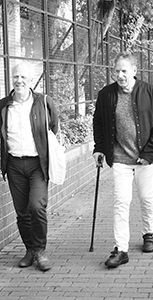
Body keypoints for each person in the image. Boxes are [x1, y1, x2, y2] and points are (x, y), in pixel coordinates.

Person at [93, 52, 153, 268]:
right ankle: (121, 249)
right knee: (121, 201)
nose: (120, 75)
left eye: (124, 71)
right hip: (119, 158)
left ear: (134, 71)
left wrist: (150, 152)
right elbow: (98, 123)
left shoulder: (148, 91)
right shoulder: (106, 94)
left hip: (146, 159)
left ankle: (148, 233)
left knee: (146, 197)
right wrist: (99, 149)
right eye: (116, 71)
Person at [0, 61, 58, 271]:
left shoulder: (44, 102)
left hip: (37, 164)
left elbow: (53, 127)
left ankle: (40, 251)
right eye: (16, 76)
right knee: (22, 211)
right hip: (14, 164)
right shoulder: (4, 106)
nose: (19, 80)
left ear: (31, 80)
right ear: (11, 79)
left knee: (36, 207)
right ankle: (30, 250)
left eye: (23, 77)